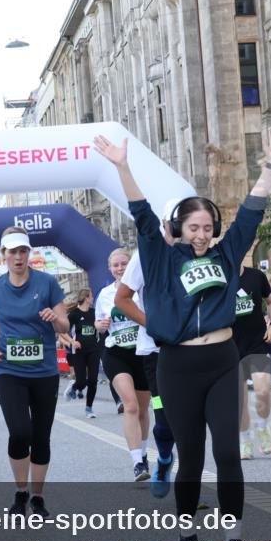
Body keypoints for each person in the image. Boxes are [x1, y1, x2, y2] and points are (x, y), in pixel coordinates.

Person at [94, 128, 271, 541]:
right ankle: (188, 537)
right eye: (192, 227)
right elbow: (141, 215)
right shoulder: (161, 258)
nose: (200, 234)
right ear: (179, 228)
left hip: (221, 360)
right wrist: (122, 166)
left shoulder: (226, 255)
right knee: (192, 458)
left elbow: (251, 215)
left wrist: (270, 168)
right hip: (178, 365)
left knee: (228, 455)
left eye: (206, 227)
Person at [0, 226, 69, 517]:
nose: (18, 257)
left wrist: (55, 318)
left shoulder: (47, 283)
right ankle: (20, 492)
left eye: (23, 251)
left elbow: (65, 326)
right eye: (12, 252)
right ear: (2, 255)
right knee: (20, 432)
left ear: (29, 253)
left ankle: (38, 497)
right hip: (9, 371)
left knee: (41, 436)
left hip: (44, 371)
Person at [115, 203, 180, 498]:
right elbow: (123, 299)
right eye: (176, 224)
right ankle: (164, 459)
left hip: (196, 351)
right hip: (155, 352)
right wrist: (154, 325)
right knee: (163, 418)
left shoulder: (201, 255)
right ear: (165, 224)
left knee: (192, 421)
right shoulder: (145, 257)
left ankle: (189, 491)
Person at [97, 248, 153, 481]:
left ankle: (144, 451)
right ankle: (137, 462)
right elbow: (99, 324)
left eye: (124, 263)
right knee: (130, 405)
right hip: (116, 354)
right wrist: (101, 324)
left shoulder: (144, 288)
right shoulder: (105, 294)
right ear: (110, 269)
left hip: (143, 353)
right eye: (116, 265)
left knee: (142, 408)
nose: (120, 268)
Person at [232, 261, 271, 460]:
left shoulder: (255, 276)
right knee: (239, 400)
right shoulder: (218, 278)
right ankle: (245, 441)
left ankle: (262, 427)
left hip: (257, 342)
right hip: (229, 346)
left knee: (263, 390)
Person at [60, 289, 106, 418]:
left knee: (92, 380)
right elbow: (62, 331)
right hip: (79, 351)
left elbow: (100, 328)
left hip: (94, 350)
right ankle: (74, 387)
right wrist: (72, 342)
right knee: (81, 381)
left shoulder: (94, 313)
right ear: (87, 298)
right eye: (91, 296)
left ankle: (89, 408)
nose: (92, 299)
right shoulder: (74, 314)